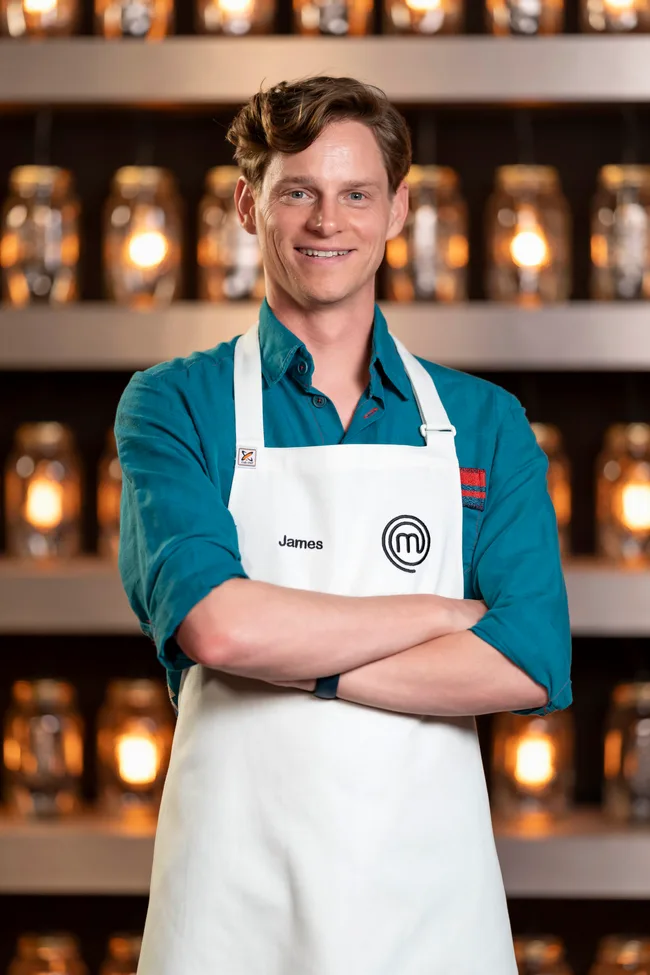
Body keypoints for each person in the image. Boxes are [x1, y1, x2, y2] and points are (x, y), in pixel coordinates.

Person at [115, 75, 572, 975]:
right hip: (229, 913)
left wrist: (289, 660)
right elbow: (219, 624)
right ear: (250, 206)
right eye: (299, 192)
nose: (329, 221)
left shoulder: (484, 423)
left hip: (429, 913)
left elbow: (527, 660)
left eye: (356, 193)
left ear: (397, 209)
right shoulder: (175, 405)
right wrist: (441, 613)